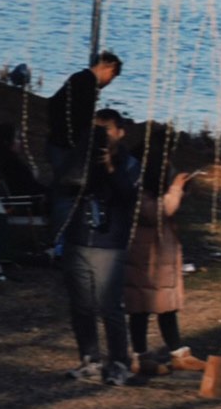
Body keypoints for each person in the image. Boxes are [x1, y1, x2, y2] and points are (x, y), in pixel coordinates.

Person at [61, 111, 138, 384]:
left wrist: (109, 166)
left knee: (109, 306)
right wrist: (80, 160)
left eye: (106, 131)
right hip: (79, 237)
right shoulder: (82, 158)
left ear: (120, 132)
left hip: (110, 244)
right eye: (96, 132)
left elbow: (128, 196)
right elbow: (63, 186)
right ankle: (89, 360)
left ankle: (119, 363)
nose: (102, 138)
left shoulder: (128, 163)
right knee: (80, 305)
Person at [123, 133, 198, 379]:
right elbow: (158, 212)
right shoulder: (135, 190)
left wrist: (181, 190)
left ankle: (177, 353)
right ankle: (140, 355)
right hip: (145, 256)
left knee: (166, 307)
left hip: (158, 256)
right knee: (141, 308)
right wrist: (175, 188)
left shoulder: (148, 189)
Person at [47, 52, 122, 203]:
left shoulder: (80, 79)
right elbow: (82, 118)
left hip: (60, 141)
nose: (109, 82)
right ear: (108, 67)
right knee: (66, 190)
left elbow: (55, 104)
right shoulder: (86, 83)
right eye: (112, 77)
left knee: (64, 187)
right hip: (65, 144)